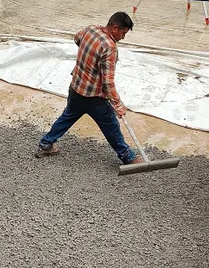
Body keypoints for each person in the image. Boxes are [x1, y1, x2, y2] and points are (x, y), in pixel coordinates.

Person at [36, 11, 136, 164]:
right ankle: (128, 157)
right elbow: (108, 82)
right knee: (111, 126)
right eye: (123, 33)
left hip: (76, 86)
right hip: (94, 97)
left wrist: (88, 56)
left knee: (67, 117)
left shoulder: (91, 29)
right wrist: (118, 104)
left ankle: (46, 144)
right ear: (115, 28)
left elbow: (77, 38)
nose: (123, 37)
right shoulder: (109, 47)